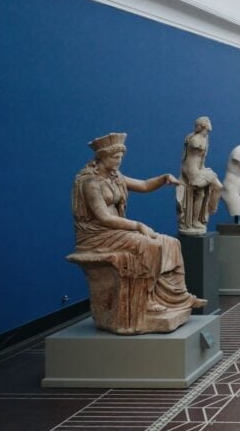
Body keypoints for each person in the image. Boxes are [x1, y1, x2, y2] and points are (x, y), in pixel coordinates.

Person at [71, 132, 205, 333]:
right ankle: (148, 299)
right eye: (115, 158)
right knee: (147, 245)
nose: (118, 161)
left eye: (121, 158)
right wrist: (138, 226)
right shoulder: (90, 182)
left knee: (170, 242)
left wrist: (162, 179)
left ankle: (179, 296)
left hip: (116, 231)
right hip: (98, 235)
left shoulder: (115, 176)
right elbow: (104, 218)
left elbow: (143, 185)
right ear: (102, 157)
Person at [176, 116, 222, 235]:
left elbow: (201, 159)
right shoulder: (195, 140)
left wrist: (203, 169)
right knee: (200, 193)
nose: (210, 123)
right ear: (203, 125)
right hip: (190, 171)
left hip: (199, 169)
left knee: (218, 186)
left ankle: (208, 211)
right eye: (208, 122)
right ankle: (195, 221)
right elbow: (190, 160)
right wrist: (199, 172)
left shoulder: (206, 138)